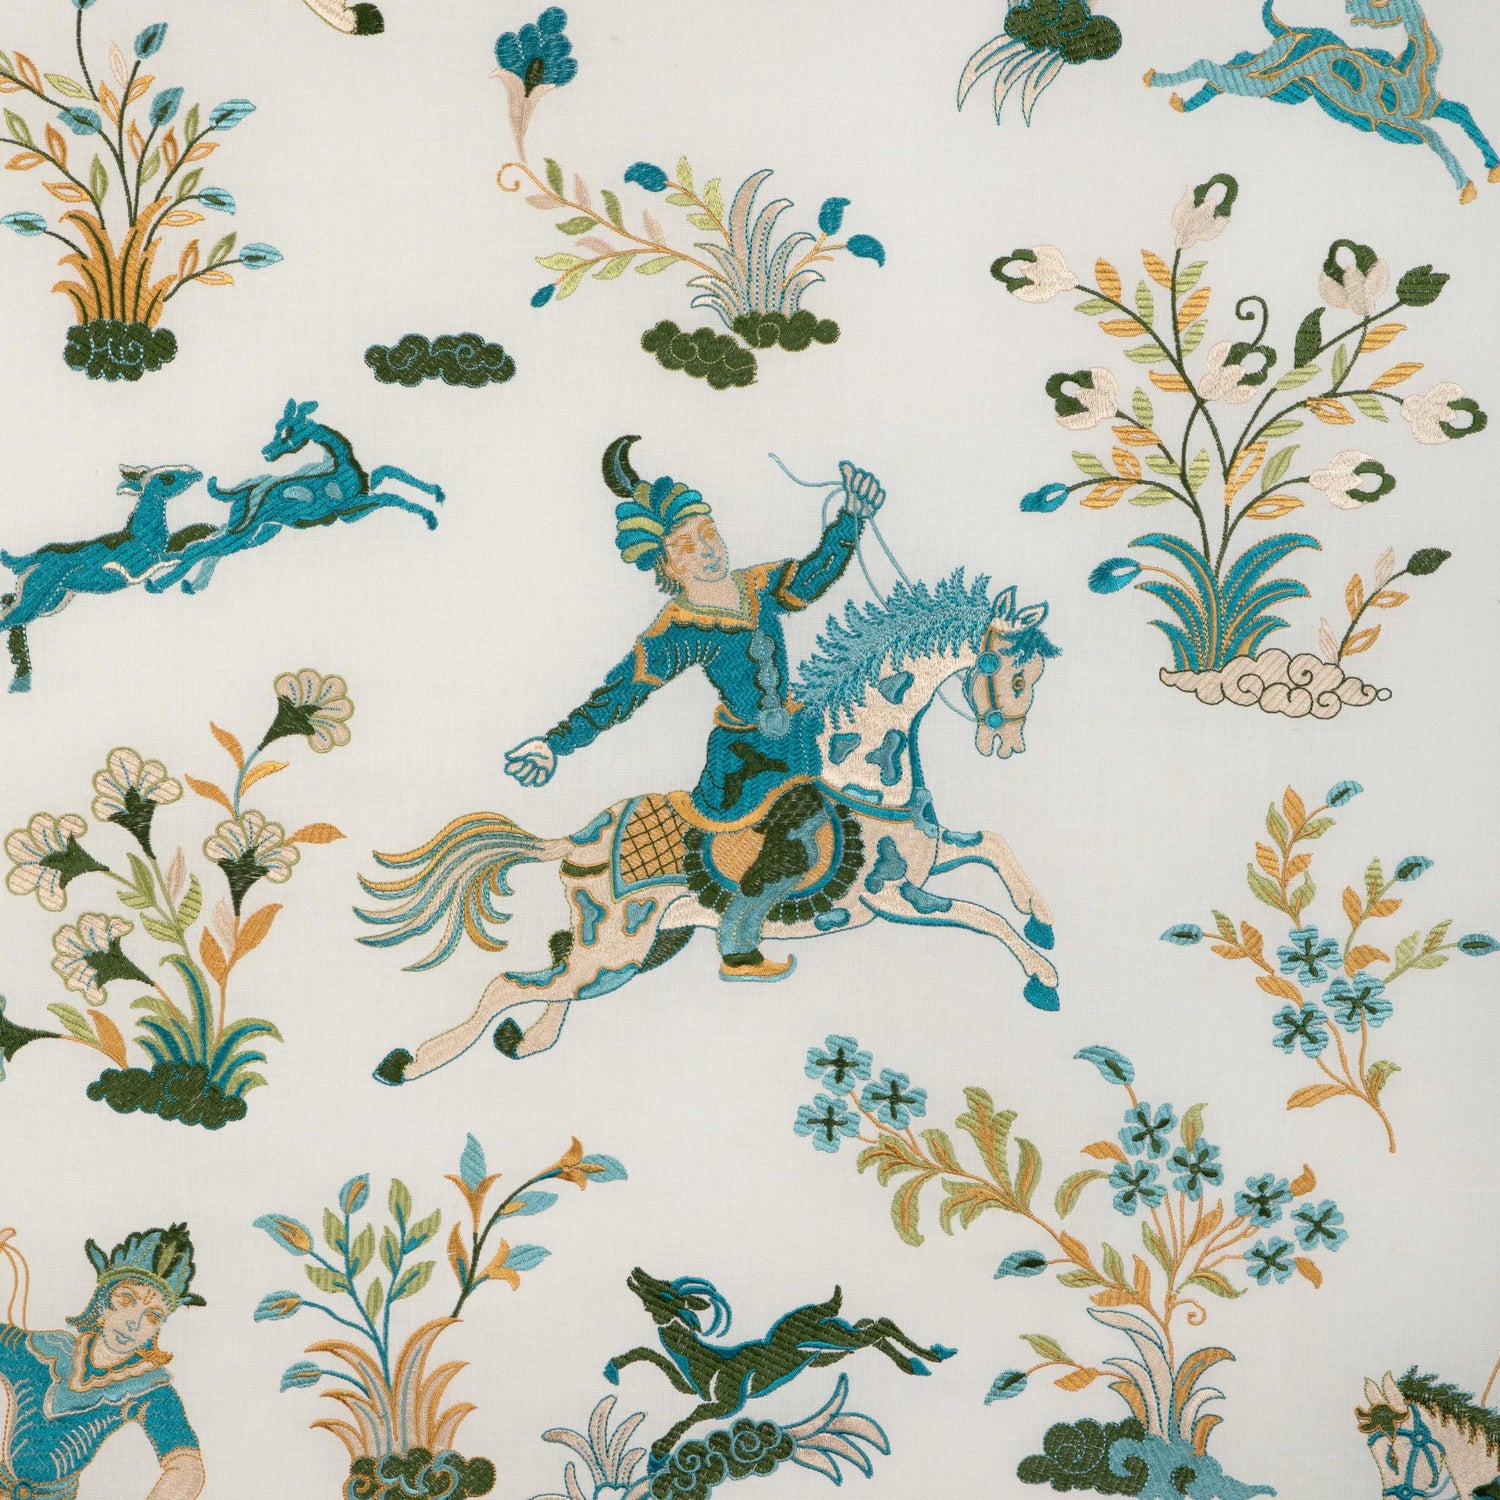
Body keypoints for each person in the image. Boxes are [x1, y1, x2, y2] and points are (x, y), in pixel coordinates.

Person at [505, 436, 885, 982]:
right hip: (744, 764)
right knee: (799, 833)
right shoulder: (678, 627)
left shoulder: (756, 586)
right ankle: (738, 946)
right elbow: (620, 693)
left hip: (797, 737)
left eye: (709, 534)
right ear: (667, 566)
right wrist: (554, 743)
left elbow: (812, 576)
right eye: (686, 547)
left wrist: (851, 518)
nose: (705, 550)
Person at [0, 1223, 206, 1499]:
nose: (134, 1322)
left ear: (155, 1331)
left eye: (152, 1316)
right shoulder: (47, 1350)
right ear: (103, 1302)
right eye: (126, 1299)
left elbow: (188, 1469)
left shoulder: (146, 1385)